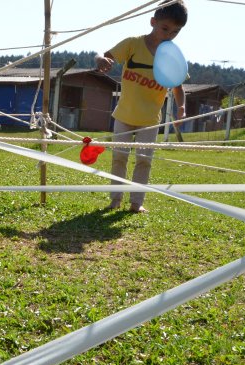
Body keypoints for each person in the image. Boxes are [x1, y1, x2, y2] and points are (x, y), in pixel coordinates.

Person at [95, 0, 187, 214]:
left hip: (150, 121)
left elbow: (178, 86)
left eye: (176, 32)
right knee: (119, 157)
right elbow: (104, 55)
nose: (169, 35)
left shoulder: (172, 55)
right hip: (124, 115)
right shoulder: (132, 44)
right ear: (153, 22)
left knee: (144, 161)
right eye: (165, 28)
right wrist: (101, 60)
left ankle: (137, 203)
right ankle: (115, 199)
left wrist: (181, 107)